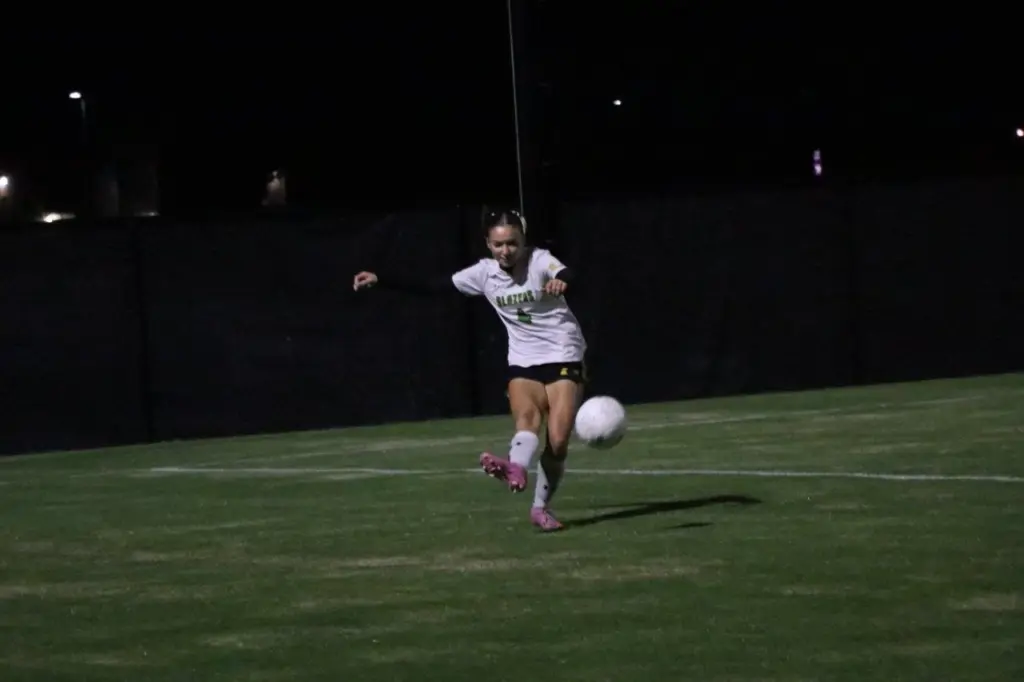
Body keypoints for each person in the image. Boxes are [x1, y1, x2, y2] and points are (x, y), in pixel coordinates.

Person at [352, 208, 587, 532]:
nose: (506, 250)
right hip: (523, 358)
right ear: (488, 244)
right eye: (498, 244)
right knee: (527, 419)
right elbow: (433, 285)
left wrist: (562, 280)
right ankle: (516, 468)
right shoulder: (483, 273)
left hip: (563, 352)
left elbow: (567, 272)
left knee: (558, 442)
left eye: (512, 243)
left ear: (523, 241)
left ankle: (540, 506)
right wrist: (382, 279)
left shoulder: (538, 260)